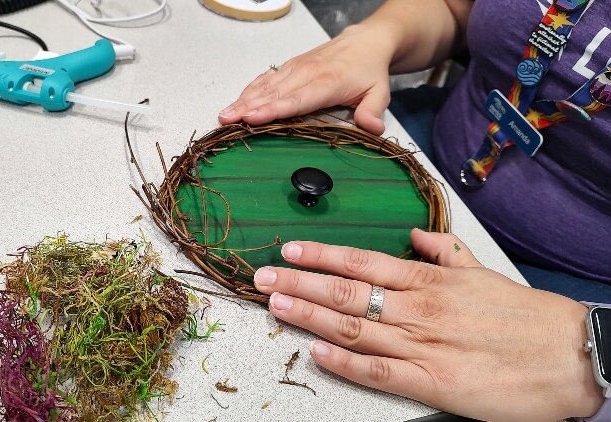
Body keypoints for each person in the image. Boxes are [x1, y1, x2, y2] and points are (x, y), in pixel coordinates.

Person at [218, 0, 610, 420]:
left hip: (572, 287)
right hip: (423, 142)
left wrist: (590, 347)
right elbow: (455, 8)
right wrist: (378, 36)